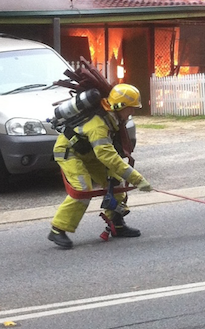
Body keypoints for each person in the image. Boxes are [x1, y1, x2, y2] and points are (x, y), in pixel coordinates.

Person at [48, 83, 153, 249]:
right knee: (82, 188)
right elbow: (108, 156)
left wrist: (130, 178)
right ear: (120, 106)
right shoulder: (99, 125)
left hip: (88, 153)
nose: (133, 112)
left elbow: (104, 155)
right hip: (70, 152)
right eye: (131, 108)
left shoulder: (111, 117)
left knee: (115, 182)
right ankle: (58, 229)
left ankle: (117, 223)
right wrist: (137, 179)